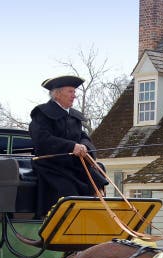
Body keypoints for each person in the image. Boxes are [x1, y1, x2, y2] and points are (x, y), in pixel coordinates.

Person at [29, 75, 108, 215]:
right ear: (58, 94)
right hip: (51, 166)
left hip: (73, 165)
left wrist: (84, 147)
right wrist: (71, 147)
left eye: (74, 92)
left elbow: (83, 136)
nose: (74, 96)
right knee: (69, 190)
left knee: (98, 173)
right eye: (70, 92)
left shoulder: (74, 116)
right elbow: (42, 139)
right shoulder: (42, 114)